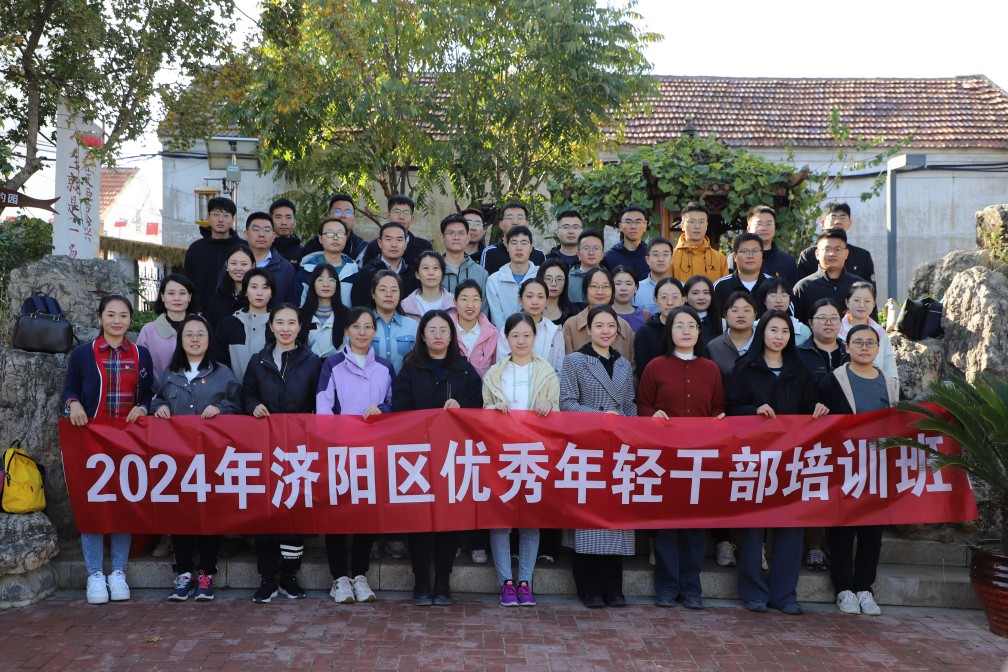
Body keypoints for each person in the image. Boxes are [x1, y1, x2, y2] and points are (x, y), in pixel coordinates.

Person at [727, 309, 830, 616]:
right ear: (762, 333)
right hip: (755, 459)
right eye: (773, 330)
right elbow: (731, 408)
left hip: (791, 458)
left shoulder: (799, 369)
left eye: (785, 332)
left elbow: (808, 404)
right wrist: (753, 411)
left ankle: (785, 594)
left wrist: (817, 407)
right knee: (753, 527)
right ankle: (753, 592)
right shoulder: (745, 368)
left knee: (791, 525)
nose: (779, 337)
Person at [62, 295, 154, 605]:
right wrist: (73, 404)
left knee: (123, 503)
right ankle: (94, 574)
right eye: (111, 315)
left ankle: (117, 571)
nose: (117, 320)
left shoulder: (141, 354)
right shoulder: (83, 354)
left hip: (128, 441)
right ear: (100, 318)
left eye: (123, 315)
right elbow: (70, 389)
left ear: (130, 319)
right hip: (91, 441)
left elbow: (148, 395)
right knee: (93, 504)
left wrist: (143, 408)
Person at [391, 310, 483, 606]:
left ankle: (443, 582)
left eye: (444, 330)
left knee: (449, 520)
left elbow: (480, 405)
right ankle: (420, 582)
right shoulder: (410, 368)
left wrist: (461, 405)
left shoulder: (464, 369)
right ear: (422, 335)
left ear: (452, 335)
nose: (438, 335)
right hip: (417, 457)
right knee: (418, 520)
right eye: (432, 330)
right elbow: (400, 407)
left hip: (452, 457)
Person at [637, 306, 725, 609]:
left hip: (699, 459)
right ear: (669, 331)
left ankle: (691, 588)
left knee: (694, 528)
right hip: (663, 458)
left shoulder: (710, 369)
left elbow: (718, 407)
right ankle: (666, 587)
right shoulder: (655, 367)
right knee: (665, 525)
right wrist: (652, 415)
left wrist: (718, 418)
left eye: (691, 326)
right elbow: (642, 404)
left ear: (699, 332)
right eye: (679, 326)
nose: (686, 331)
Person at [151, 314, 241, 602]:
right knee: (180, 514)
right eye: (188, 334)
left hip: (212, 458)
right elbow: (155, 398)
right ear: (180, 340)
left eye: (200, 334)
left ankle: (206, 573)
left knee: (210, 514)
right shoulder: (170, 374)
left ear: (209, 339)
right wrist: (159, 407)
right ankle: (184, 572)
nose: (194, 339)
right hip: (177, 459)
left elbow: (239, 405)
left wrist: (221, 408)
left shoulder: (222, 373)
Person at [242, 304, 323, 603]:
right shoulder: (258, 360)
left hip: (299, 448)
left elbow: (319, 399)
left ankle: (289, 576)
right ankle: (267, 578)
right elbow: (246, 394)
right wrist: (253, 406)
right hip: (265, 447)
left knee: (294, 510)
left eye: (291, 323)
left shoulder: (312, 361)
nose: (285, 328)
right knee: (266, 512)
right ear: (271, 326)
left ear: (300, 327)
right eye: (280, 322)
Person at [818, 324, 899, 617]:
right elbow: (817, 418)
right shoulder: (833, 381)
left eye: (870, 343)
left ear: (878, 348)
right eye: (858, 342)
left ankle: (865, 587)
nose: (864, 347)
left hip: (878, 468)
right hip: (843, 467)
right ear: (847, 347)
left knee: (872, 532)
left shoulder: (890, 383)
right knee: (842, 530)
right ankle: (843, 589)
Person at [559, 305, 638, 608]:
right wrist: (601, 417)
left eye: (611, 326)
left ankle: (613, 588)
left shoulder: (624, 365)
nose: (606, 331)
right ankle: (589, 588)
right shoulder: (574, 361)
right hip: (586, 447)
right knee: (587, 520)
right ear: (588, 330)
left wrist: (627, 426)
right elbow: (566, 403)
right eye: (599, 325)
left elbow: (629, 405)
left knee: (615, 518)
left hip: (618, 449)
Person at [316, 307, 395, 604]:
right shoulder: (332, 364)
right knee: (337, 513)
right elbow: (323, 407)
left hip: (373, 452)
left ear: (375, 332)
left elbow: (395, 404)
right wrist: (331, 442)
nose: (362, 332)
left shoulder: (385, 367)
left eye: (368, 327)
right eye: (356, 326)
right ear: (347, 330)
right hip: (340, 451)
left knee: (366, 513)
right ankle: (339, 577)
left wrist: (383, 410)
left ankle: (360, 575)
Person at [483, 313, 561, 607]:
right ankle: (505, 582)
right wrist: (493, 409)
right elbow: (484, 410)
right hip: (501, 454)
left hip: (535, 453)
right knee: (500, 520)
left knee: (530, 521)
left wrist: (549, 404)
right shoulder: (494, 374)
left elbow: (557, 412)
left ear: (535, 338)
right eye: (515, 335)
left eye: (526, 335)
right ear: (506, 338)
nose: (521, 340)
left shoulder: (548, 373)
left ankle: (525, 581)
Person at [795, 298, 848, 573]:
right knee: (815, 489)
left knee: (843, 490)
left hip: (847, 436)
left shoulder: (851, 351)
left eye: (834, 318)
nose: (828, 323)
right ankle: (814, 546)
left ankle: (837, 547)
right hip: (811, 434)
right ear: (810, 322)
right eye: (822, 318)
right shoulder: (798, 354)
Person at [562, 267, 635, 368]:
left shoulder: (624, 326)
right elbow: (568, 367)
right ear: (585, 290)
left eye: (605, 286)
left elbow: (632, 368)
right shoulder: (571, 325)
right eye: (594, 286)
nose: (600, 292)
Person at [793, 228, 867, 323]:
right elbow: (795, 325)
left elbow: (871, 322)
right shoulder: (803, 287)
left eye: (838, 249)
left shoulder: (860, 286)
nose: (832, 254)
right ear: (817, 254)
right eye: (827, 249)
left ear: (846, 253)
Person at [796, 201, 876, 286]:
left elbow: (870, 290)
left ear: (849, 223)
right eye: (833, 217)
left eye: (843, 217)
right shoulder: (808, 255)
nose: (838, 221)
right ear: (822, 223)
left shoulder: (863, 256)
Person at [213, 268, 274, 380]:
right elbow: (219, 362)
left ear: (271, 293)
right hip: (233, 389)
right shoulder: (228, 325)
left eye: (265, 288)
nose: (259, 293)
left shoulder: (278, 326)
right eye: (254, 287)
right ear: (245, 291)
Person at [184, 196, 240, 313]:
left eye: (226, 215)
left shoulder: (242, 248)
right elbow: (187, 283)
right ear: (209, 216)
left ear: (233, 219)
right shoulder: (196, 249)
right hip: (201, 313)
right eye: (216, 214)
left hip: (236, 313)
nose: (221, 219)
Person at [497, 278, 565, 374]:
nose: (535, 302)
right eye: (529, 296)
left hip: (548, 382)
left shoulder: (555, 331)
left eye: (540, 297)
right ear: (520, 300)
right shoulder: (509, 329)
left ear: (546, 301)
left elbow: (560, 370)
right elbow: (501, 366)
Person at [839, 281, 899, 385]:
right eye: (856, 300)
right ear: (847, 302)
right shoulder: (837, 331)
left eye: (867, 301)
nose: (862, 305)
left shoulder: (880, 334)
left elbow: (889, 369)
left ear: (873, 304)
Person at [138, 273, 195, 377]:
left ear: (189, 296)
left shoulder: (201, 326)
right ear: (163, 296)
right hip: (158, 387)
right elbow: (142, 366)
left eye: (182, 293)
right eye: (171, 293)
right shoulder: (149, 331)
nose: (177, 298)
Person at [294, 217, 358, 307]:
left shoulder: (355, 273)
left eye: (340, 233)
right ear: (320, 239)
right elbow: (296, 308)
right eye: (330, 233)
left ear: (345, 238)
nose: (335, 237)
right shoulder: (306, 272)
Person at [350, 222, 419, 307]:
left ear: (405, 244)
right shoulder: (366, 273)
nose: (394, 245)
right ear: (380, 243)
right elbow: (359, 307)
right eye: (388, 239)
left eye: (399, 240)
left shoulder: (413, 274)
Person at [485, 225, 540, 330]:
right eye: (514, 243)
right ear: (507, 247)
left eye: (524, 243)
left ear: (531, 248)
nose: (519, 248)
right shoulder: (494, 280)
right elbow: (497, 319)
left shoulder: (541, 277)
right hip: (504, 336)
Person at [360, 194, 433, 267]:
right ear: (388, 215)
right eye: (397, 211)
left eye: (406, 213)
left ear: (412, 218)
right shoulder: (373, 246)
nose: (401, 216)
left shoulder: (424, 246)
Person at [369, 270, 419, 375]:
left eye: (394, 290)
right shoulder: (362, 325)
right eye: (383, 290)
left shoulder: (412, 325)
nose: (389, 294)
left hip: (404, 384)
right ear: (373, 294)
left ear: (400, 294)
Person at [634, 277, 684, 378]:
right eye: (664, 297)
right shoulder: (645, 332)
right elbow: (643, 371)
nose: (670, 302)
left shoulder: (691, 329)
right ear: (655, 300)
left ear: (683, 300)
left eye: (675, 297)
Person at [706, 291, 758, 387]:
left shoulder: (764, 342)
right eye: (734, 310)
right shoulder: (713, 347)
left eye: (746, 310)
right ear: (725, 315)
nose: (741, 315)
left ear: (755, 314)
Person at [298, 264, 350, 359]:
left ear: (337, 285)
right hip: (307, 366)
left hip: (337, 366)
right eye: (320, 280)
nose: (326, 284)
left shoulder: (348, 315)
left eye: (331, 280)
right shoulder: (300, 315)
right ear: (313, 284)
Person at [243, 211, 296, 304]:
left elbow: (291, 304)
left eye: (267, 230)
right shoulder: (235, 264)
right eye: (256, 229)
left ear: (273, 236)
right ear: (246, 234)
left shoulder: (286, 268)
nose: (261, 234)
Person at [480, 202, 546, 274]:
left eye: (520, 218)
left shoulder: (538, 255)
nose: (515, 222)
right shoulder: (490, 253)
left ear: (527, 224)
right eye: (509, 218)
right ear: (500, 224)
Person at [450, 279, 498, 377]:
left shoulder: (492, 334)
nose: (470, 305)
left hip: (483, 386)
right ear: (455, 302)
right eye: (464, 299)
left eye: (475, 299)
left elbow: (496, 367)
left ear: (481, 302)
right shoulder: (445, 331)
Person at [301, 193, 370, 262]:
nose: (343, 216)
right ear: (329, 216)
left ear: (355, 220)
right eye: (337, 211)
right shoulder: (313, 246)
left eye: (348, 212)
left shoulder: (363, 248)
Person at [672, 202, 728, 283]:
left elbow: (724, 288)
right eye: (692, 221)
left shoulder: (719, 259)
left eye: (701, 222)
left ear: (706, 226)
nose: (697, 226)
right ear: (682, 225)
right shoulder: (671, 258)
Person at [713, 232, 772, 311]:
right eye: (744, 251)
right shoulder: (720, 286)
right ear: (735, 257)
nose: (750, 256)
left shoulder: (773, 285)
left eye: (755, 251)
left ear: (762, 255)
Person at [203, 245, 254, 330]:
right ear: (227, 265)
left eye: (244, 264)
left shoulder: (258, 297)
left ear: (253, 266)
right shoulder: (217, 298)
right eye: (233, 263)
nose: (238, 268)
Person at [745, 205, 798, 285]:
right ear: (749, 229)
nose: (764, 228)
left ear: (774, 228)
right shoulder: (738, 259)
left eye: (769, 224)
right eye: (759, 224)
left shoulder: (788, 261)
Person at [440, 214, 489, 296]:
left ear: (468, 238)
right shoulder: (434, 269)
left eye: (461, 233)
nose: (456, 237)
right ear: (442, 238)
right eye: (451, 233)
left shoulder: (481, 273)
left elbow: (483, 303)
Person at [402, 250, 455, 321]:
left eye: (435, 268)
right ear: (417, 274)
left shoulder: (454, 303)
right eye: (426, 268)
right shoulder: (405, 306)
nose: (431, 273)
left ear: (442, 274)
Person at [755, 278, 811, 344]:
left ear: (790, 300)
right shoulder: (753, 327)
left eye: (784, 296)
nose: (779, 300)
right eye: (773, 296)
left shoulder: (802, 330)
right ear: (764, 300)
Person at [604, 206, 650, 281]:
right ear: (620, 226)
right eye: (628, 222)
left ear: (645, 226)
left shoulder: (651, 254)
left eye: (638, 222)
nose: (633, 226)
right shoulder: (609, 257)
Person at [634, 237, 674, 314]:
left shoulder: (682, 288)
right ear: (647, 259)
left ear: (672, 259)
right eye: (656, 254)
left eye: (665, 254)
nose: (661, 259)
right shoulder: (636, 289)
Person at [566, 229, 606, 305]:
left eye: (596, 248)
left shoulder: (610, 280)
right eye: (586, 248)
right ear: (578, 254)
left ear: (602, 255)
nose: (591, 253)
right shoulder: (567, 280)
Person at [683, 275, 723, 345]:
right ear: (685, 297)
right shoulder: (677, 321)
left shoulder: (723, 324)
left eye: (706, 293)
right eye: (695, 293)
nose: (701, 297)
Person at [537, 258, 577, 326]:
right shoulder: (530, 310)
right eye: (548, 279)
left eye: (559, 279)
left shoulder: (573, 313)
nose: (553, 284)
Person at [611, 266, 646, 331]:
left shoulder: (646, 316)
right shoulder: (602, 315)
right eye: (618, 284)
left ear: (636, 288)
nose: (623, 288)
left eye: (628, 284)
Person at [269, 197, 303, 264]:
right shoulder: (263, 248)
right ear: (270, 221)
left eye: (288, 217)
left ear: (294, 223)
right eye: (278, 217)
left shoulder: (302, 252)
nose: (284, 222)